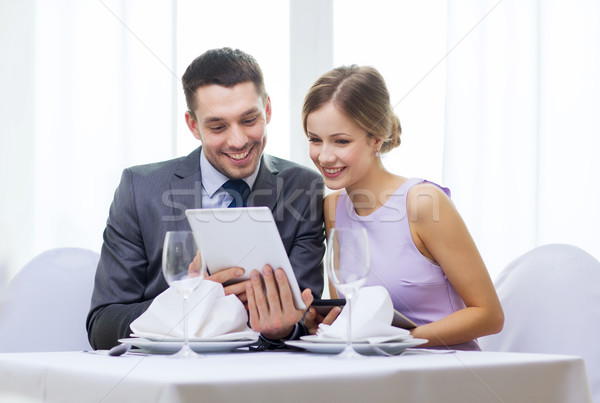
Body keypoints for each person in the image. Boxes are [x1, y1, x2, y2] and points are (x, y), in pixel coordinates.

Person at [87, 48, 325, 350]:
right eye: (217, 126)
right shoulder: (140, 189)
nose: (238, 140)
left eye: (249, 119)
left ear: (267, 110)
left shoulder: (304, 189)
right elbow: (102, 325)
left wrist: (284, 331)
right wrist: (186, 305)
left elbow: (308, 313)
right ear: (192, 125)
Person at [301, 65, 504, 350]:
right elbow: (351, 314)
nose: (324, 156)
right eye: (315, 140)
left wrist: (399, 340)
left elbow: (489, 316)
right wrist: (324, 325)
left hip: (446, 374)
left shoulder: (423, 203)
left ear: (376, 138)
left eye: (341, 141)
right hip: (378, 372)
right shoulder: (333, 208)